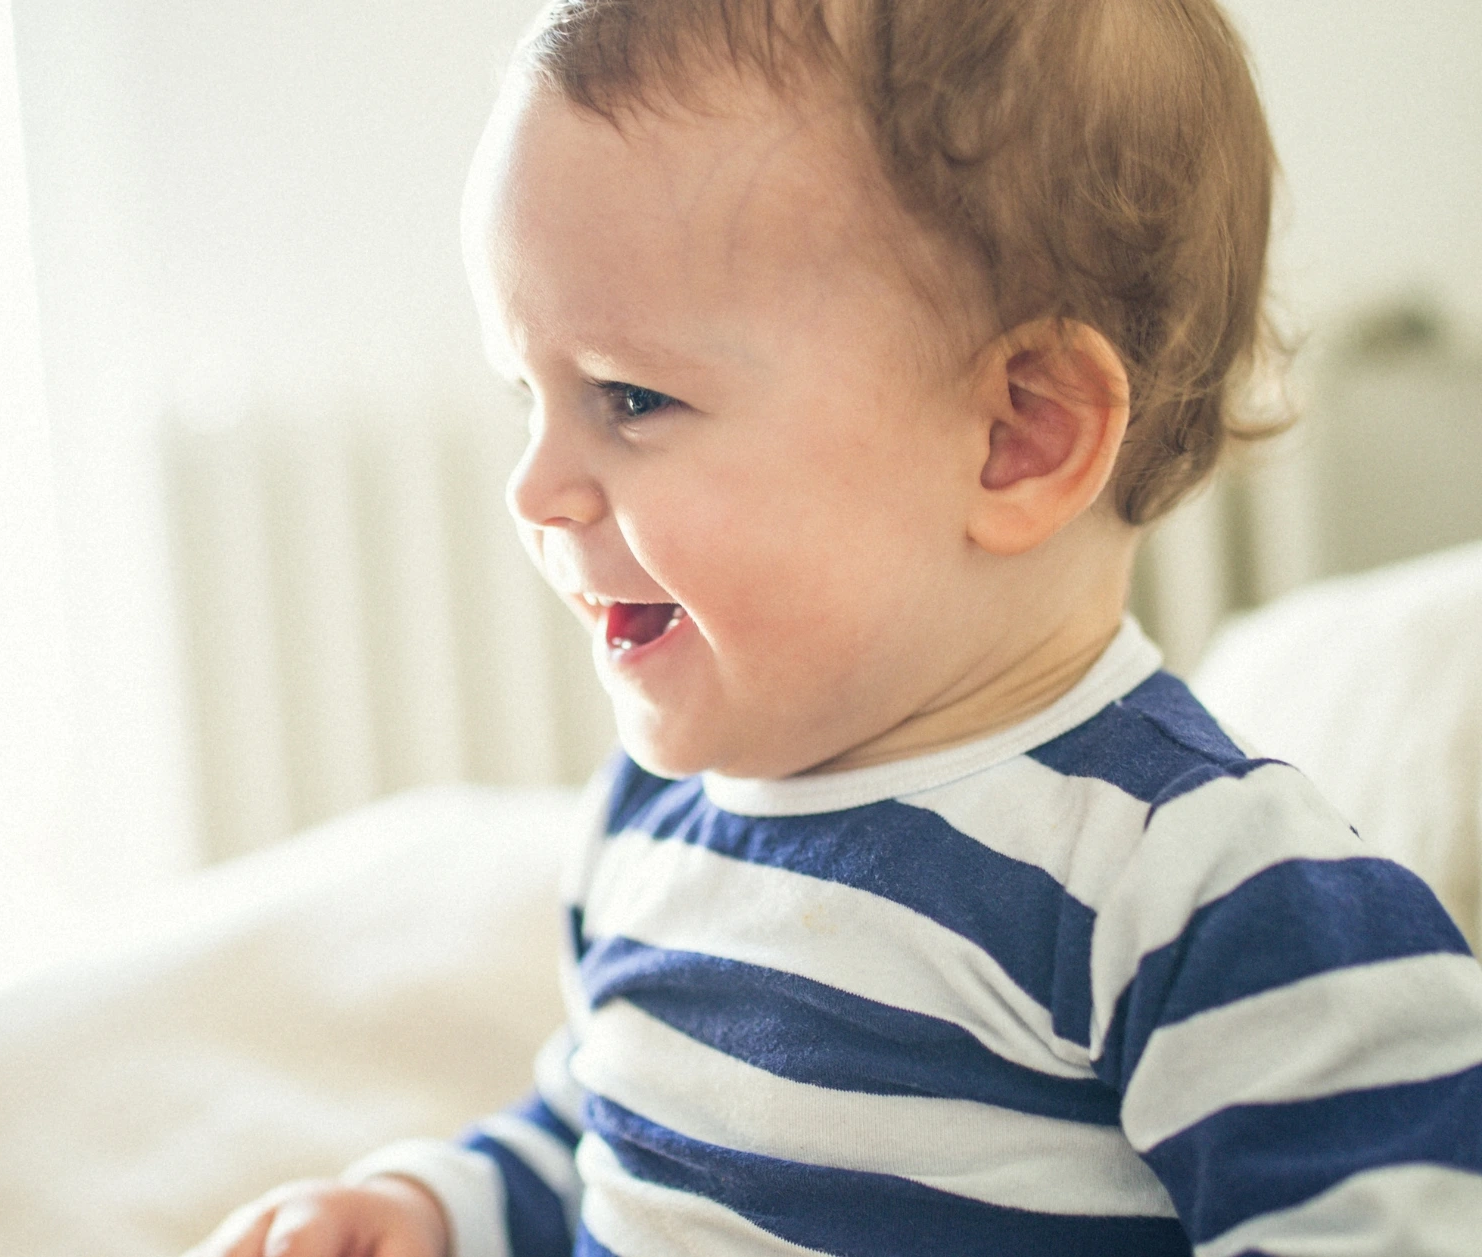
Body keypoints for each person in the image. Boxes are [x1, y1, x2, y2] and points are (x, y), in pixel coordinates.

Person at [197, 1, 1482, 1253]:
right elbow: (607, 1132)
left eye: (631, 396)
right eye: (525, 396)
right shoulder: (651, 826)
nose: (533, 489)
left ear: (1017, 433)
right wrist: (440, 1204)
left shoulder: (1202, 884)